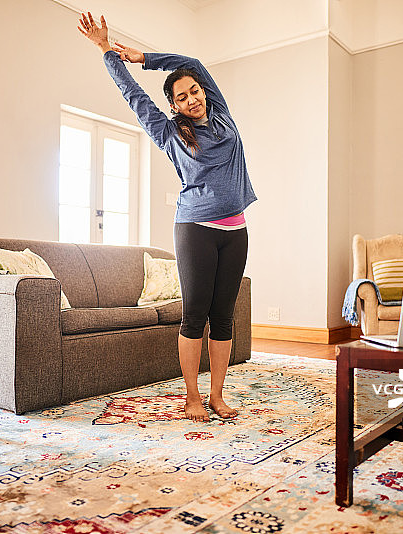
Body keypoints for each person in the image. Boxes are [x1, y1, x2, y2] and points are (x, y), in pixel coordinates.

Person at [78, 13, 257, 422]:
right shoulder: (169, 131)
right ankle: (192, 396)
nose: (193, 98)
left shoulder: (223, 114)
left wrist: (145, 56)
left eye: (195, 91)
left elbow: (192, 62)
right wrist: (107, 50)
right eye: (183, 97)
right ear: (173, 105)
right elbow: (132, 95)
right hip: (195, 229)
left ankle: (216, 394)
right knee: (195, 313)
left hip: (236, 229)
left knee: (224, 316)